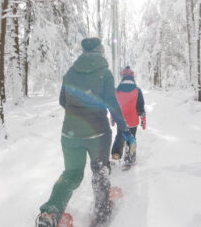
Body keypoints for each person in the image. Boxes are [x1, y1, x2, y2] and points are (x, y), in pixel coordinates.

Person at [35, 38, 135, 227]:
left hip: (70, 133)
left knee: (71, 174)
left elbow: (63, 101)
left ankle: (50, 213)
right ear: (100, 51)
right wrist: (124, 129)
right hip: (97, 133)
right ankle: (102, 213)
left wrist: (77, 112)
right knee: (100, 172)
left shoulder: (71, 72)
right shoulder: (105, 73)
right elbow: (112, 104)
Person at [110, 66, 146, 167]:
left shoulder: (117, 90)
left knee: (120, 135)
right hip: (133, 120)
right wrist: (143, 118)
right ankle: (130, 158)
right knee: (131, 138)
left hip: (120, 119)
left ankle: (116, 153)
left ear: (123, 77)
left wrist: (112, 118)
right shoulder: (137, 90)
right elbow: (140, 106)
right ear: (132, 77)